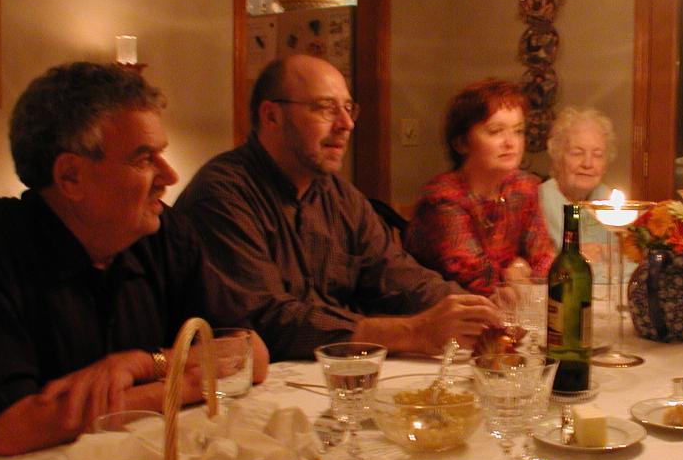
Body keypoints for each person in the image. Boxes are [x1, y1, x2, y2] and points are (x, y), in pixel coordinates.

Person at [0, 62, 269, 457]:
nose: (170, 175)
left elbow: (251, 355)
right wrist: (186, 382)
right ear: (70, 176)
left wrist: (142, 364)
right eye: (144, 159)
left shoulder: (164, 232)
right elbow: (13, 428)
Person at [175, 55, 500, 360]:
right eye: (326, 109)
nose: (346, 124)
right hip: (246, 392)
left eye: (348, 108)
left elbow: (397, 275)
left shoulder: (339, 196)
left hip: (331, 381)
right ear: (271, 115)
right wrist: (414, 332)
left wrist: (476, 310)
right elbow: (265, 319)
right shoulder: (222, 194)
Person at [403, 79, 556, 294]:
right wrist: (512, 272)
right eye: (495, 131)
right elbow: (477, 281)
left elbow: (546, 259)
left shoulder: (523, 187)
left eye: (518, 131)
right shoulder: (442, 198)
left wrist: (523, 271)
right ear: (461, 143)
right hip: (441, 316)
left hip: (507, 310)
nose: (510, 142)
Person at [538, 106, 614, 264]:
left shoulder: (612, 202)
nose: (587, 163)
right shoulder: (536, 201)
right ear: (558, 157)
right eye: (577, 153)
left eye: (598, 155)